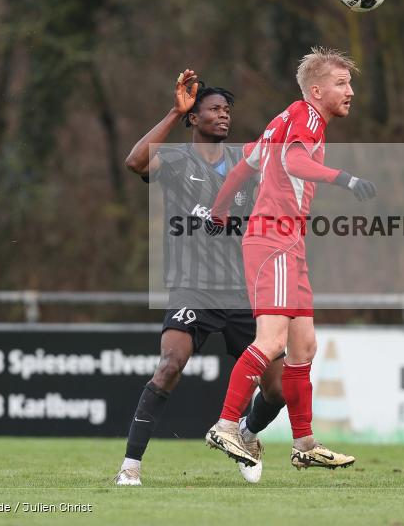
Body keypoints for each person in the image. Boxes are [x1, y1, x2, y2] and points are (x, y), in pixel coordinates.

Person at [202, 47, 376, 471]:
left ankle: (304, 443)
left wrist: (219, 211)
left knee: (304, 346)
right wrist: (345, 178)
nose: (350, 91)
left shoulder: (284, 119)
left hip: (288, 242)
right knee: (273, 341)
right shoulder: (308, 119)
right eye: (341, 83)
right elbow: (296, 162)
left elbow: (244, 166)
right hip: (273, 240)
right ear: (317, 90)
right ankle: (226, 425)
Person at [114, 69, 285, 486]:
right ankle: (130, 467)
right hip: (192, 287)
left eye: (227, 110)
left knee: (281, 390)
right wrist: (174, 111)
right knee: (170, 366)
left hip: (243, 291)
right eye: (213, 109)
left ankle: (245, 435)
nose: (223, 116)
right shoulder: (175, 160)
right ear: (195, 117)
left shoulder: (249, 162)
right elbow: (135, 161)